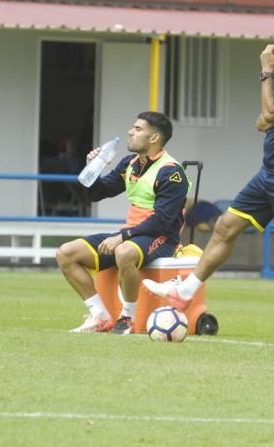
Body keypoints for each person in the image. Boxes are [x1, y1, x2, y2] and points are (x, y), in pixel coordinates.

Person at [144, 5, 274, 350]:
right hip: (270, 171)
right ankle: (183, 294)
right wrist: (273, 115)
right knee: (225, 226)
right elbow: (263, 121)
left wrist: (265, 74)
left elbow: (268, 112)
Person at [56, 111, 190, 335]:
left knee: (124, 252)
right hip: (132, 236)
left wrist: (122, 237)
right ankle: (99, 316)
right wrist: (93, 168)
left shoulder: (172, 172)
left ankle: (127, 317)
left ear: (154, 138)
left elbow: (163, 221)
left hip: (162, 238)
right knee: (65, 253)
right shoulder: (130, 163)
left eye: (138, 129)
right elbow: (96, 194)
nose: (130, 131)